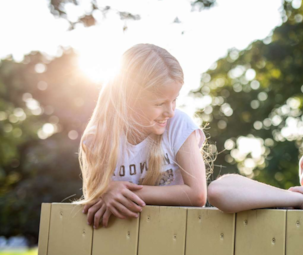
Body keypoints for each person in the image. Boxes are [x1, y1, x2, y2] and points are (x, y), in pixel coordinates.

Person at [78, 44, 207, 229]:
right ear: (129, 99)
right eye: (160, 103)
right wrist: (103, 191)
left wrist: (115, 190)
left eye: (174, 100)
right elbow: (93, 197)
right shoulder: (97, 138)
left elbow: (197, 195)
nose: (170, 112)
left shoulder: (179, 125)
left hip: (176, 233)